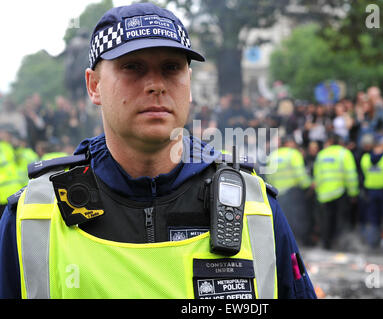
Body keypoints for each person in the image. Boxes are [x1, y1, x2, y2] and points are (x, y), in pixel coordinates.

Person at [0, 3, 316, 299]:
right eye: (133, 67)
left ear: (189, 83)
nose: (156, 84)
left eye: (170, 67)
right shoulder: (35, 215)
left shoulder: (254, 205)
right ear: (94, 85)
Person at [313, 133, 359, 250]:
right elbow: (351, 175)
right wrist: (353, 193)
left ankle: (326, 244)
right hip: (340, 192)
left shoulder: (321, 155)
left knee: (326, 220)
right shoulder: (344, 153)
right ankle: (341, 244)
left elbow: (317, 176)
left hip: (324, 194)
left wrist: (318, 191)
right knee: (341, 220)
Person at [265, 135, 312, 246]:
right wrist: (308, 185)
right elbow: (300, 174)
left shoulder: (272, 156)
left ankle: (284, 243)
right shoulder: (293, 154)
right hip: (293, 192)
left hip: (277, 193)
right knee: (297, 218)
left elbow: (268, 177)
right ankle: (298, 243)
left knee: (283, 219)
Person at [360, 134, 383, 253]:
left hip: (371, 192)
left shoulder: (365, 158)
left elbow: (362, 176)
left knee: (373, 220)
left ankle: (373, 244)